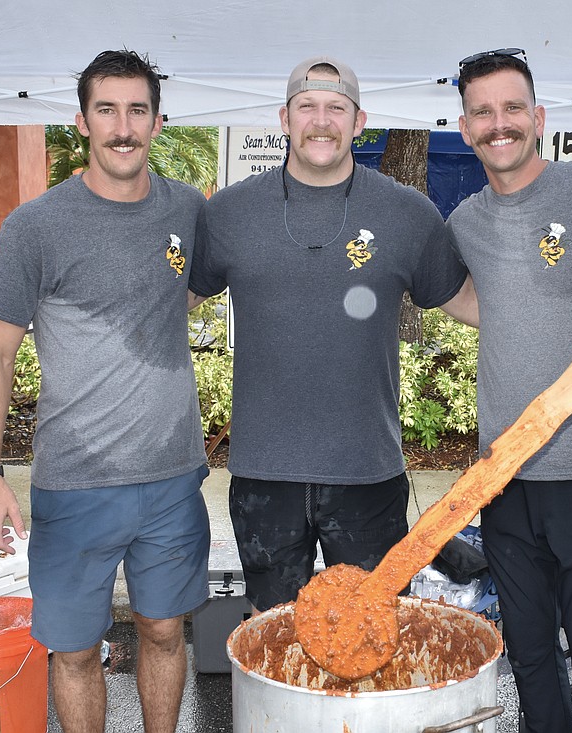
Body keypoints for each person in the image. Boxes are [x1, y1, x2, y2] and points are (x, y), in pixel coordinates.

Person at [0, 50, 211, 733]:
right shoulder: (36, 226)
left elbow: (191, 289)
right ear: (82, 122)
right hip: (74, 484)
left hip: (170, 478)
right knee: (75, 651)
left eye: (137, 110)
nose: (123, 127)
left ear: (158, 123)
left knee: (165, 631)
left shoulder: (188, 210)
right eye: (107, 110)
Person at [188, 56, 477, 613]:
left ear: (359, 121)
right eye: (308, 107)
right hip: (263, 474)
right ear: (284, 117)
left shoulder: (407, 214)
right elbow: (168, 304)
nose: (322, 121)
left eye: (336, 108)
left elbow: (469, 303)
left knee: (372, 637)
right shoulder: (228, 213)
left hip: (367, 472)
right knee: (274, 639)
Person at [447, 48, 572, 733]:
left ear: (538, 116)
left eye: (510, 108)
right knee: (529, 657)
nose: (497, 124)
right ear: (465, 126)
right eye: (482, 112)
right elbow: (465, 297)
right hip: (503, 477)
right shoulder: (465, 221)